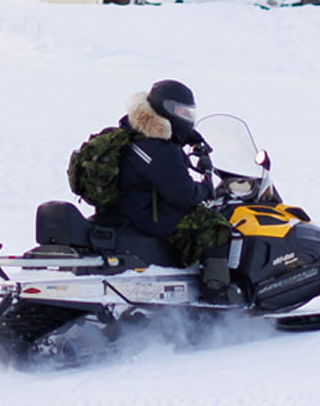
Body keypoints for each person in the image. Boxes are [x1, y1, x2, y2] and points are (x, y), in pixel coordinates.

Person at [98, 79, 235, 300]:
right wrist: (206, 189)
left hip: (121, 209)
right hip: (144, 215)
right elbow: (183, 195)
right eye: (181, 111)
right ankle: (216, 292)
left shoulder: (134, 133)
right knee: (214, 224)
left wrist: (186, 138)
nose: (187, 117)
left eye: (189, 112)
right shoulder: (159, 148)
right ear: (165, 109)